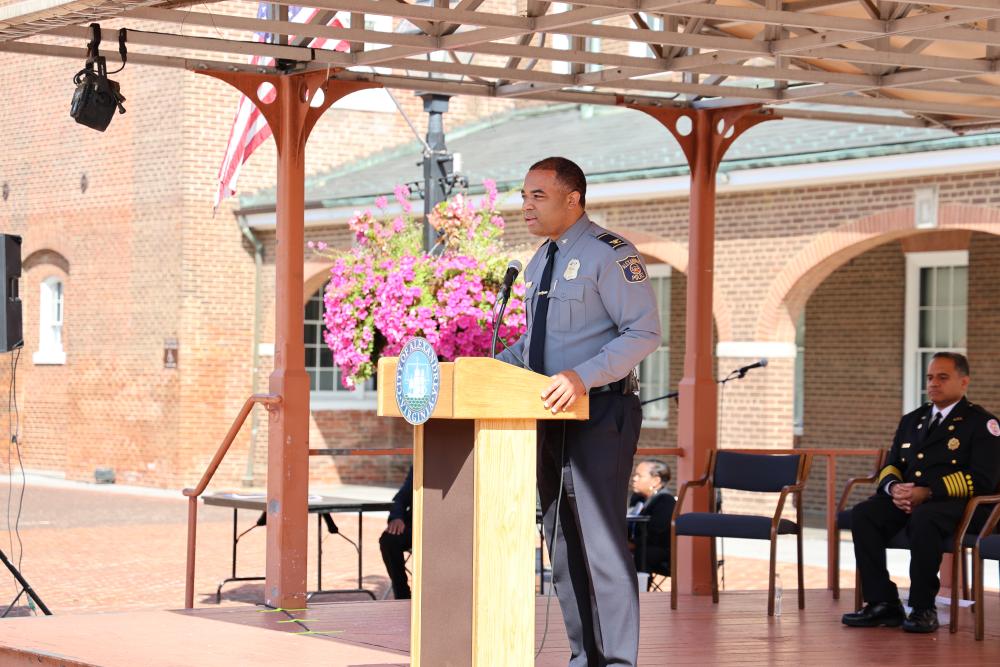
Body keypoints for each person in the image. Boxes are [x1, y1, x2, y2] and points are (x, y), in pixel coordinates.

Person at [497, 156, 660, 667]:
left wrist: (581, 376)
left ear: (574, 199)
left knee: (601, 544)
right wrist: (477, 369)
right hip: (549, 416)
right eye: (523, 195)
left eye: (537, 196)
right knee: (561, 542)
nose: (525, 205)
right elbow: (535, 348)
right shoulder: (538, 261)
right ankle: (582, 657)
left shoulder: (610, 255)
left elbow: (644, 331)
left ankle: (619, 661)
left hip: (602, 412)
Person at [842, 352, 1000, 633]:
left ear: (964, 382)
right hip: (910, 499)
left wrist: (927, 492)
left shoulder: (982, 423)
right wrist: (894, 489)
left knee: (926, 517)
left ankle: (923, 608)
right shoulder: (912, 420)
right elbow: (892, 465)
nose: (934, 383)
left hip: (962, 505)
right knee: (864, 514)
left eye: (942, 377)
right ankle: (883, 603)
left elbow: (984, 479)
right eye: (930, 377)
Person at [628, 459, 676, 577]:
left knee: (643, 554)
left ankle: (640, 591)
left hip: (661, 550)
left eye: (639, 476)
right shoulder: (638, 499)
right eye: (635, 475)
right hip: (637, 545)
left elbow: (656, 533)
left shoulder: (665, 501)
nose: (634, 479)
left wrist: (633, 544)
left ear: (656, 481)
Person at [379, 466, 413, 600]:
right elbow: (400, 498)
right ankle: (402, 595)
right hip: (416, 526)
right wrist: (396, 517)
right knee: (389, 539)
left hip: (442, 529)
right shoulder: (420, 463)